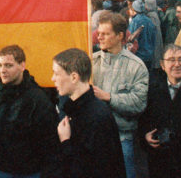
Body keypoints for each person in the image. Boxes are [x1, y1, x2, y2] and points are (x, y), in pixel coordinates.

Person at [0, 45, 59, 178]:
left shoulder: (38, 98)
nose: (3, 70)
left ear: (22, 66)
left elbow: (48, 138)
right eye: (0, 65)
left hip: (26, 171)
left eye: (8, 65)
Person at [51, 48, 125, 178]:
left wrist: (65, 141)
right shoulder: (71, 109)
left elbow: (93, 169)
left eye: (57, 74)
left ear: (74, 77)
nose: (52, 78)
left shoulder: (97, 117)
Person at [92, 12, 149, 178]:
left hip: (123, 137)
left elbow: (139, 104)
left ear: (120, 36)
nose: (99, 37)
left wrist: (109, 97)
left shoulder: (136, 66)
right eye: (99, 33)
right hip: (95, 137)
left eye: (105, 34)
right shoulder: (90, 62)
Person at [139, 44, 181, 177]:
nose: (177, 64)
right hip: (160, 161)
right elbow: (143, 119)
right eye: (171, 60)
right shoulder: (152, 88)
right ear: (162, 65)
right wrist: (145, 137)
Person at [128, 0, 156, 69]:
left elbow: (130, 38)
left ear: (134, 9)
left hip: (138, 55)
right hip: (149, 54)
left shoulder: (135, 21)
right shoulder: (149, 21)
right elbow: (154, 38)